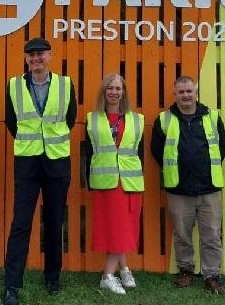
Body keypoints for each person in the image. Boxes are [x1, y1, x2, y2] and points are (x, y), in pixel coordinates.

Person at [2, 38, 77, 305]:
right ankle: (11, 284)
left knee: (55, 221)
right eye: (31, 55)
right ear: (26, 59)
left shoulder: (65, 84)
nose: (36, 59)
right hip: (27, 163)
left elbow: (70, 119)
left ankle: (52, 277)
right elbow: (12, 122)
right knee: (21, 223)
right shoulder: (13, 85)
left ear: (50, 56)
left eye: (40, 54)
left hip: (57, 163)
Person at [150, 76, 225, 295]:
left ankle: (212, 274)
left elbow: (222, 147)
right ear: (175, 94)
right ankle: (186, 270)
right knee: (182, 234)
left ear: (196, 93)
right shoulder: (164, 119)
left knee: (211, 234)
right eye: (181, 92)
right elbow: (157, 150)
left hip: (209, 187)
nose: (186, 95)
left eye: (189, 91)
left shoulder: (212, 116)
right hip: (179, 188)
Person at [85, 74, 144, 295]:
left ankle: (123, 268)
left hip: (130, 180)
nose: (114, 92)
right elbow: (88, 153)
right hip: (106, 182)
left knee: (123, 226)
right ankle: (108, 276)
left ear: (124, 92)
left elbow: (139, 152)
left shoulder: (137, 119)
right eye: (110, 88)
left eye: (118, 88)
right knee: (116, 228)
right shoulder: (92, 119)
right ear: (103, 91)